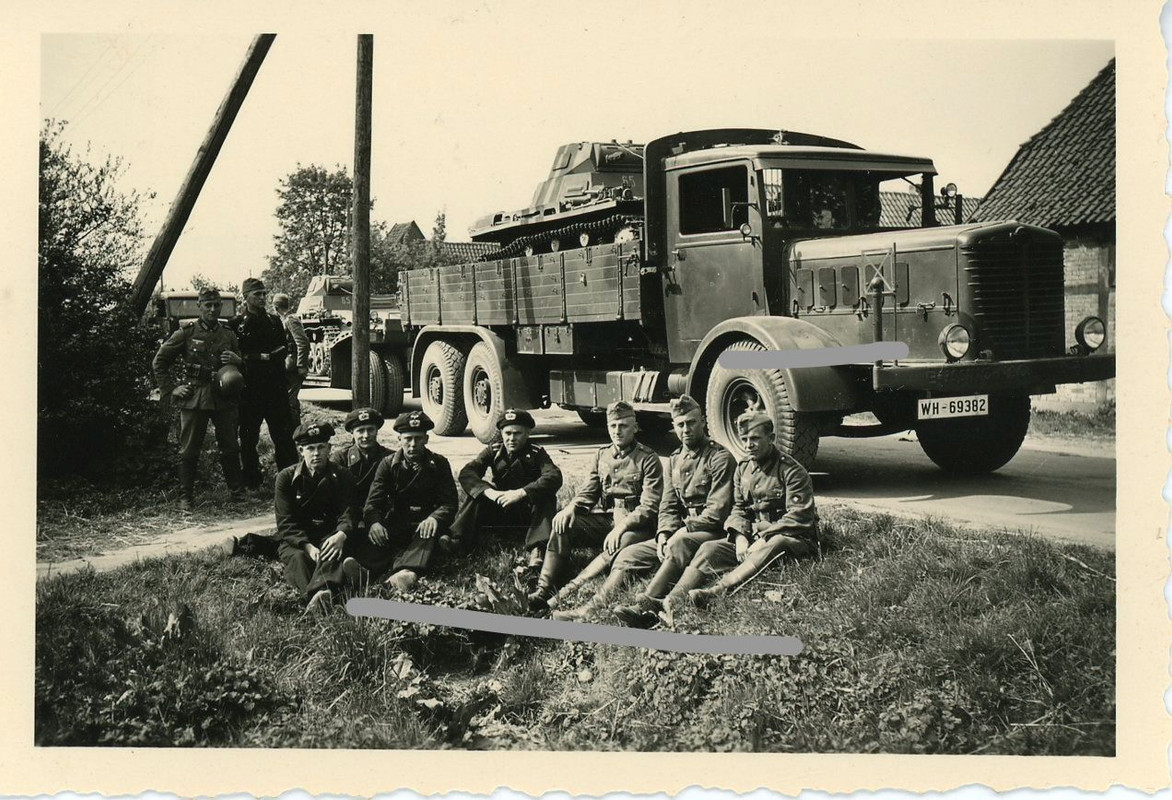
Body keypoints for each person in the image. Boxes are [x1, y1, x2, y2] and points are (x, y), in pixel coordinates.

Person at [665, 411, 819, 617]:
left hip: (794, 539)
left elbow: (799, 516)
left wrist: (765, 538)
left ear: (771, 438)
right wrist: (739, 537)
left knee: (777, 542)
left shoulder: (791, 470)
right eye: (744, 439)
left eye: (755, 439)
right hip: (755, 538)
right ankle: (673, 599)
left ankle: (717, 590)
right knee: (710, 548)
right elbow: (739, 509)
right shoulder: (743, 469)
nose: (748, 445)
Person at [527, 400, 664, 618]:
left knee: (623, 541)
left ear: (635, 427)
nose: (617, 431)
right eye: (613, 426)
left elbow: (649, 506)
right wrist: (571, 507)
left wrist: (621, 528)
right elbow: (589, 491)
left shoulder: (648, 459)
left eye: (623, 425)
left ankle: (569, 592)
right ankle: (544, 588)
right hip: (608, 519)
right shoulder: (602, 455)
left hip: (636, 525)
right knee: (562, 524)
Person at [609, 395, 736, 628]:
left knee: (681, 543)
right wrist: (664, 534)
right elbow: (667, 505)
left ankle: (649, 604)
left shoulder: (719, 457)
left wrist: (683, 530)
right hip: (680, 533)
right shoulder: (675, 459)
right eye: (680, 424)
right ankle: (599, 605)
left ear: (703, 422)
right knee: (630, 554)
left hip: (713, 531)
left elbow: (718, 510)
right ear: (674, 427)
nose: (686, 429)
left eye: (691, 422)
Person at [151, 287, 246, 511]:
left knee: (230, 447)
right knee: (189, 449)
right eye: (208, 305)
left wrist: (237, 359)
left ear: (221, 307)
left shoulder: (228, 333)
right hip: (195, 396)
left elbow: (239, 363)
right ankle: (186, 497)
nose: (212, 309)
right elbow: (160, 362)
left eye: (216, 305)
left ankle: (237, 494)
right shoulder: (186, 332)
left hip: (223, 397)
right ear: (199, 306)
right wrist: (172, 388)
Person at [445, 409, 563, 573]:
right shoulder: (493, 450)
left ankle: (538, 549)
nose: (511, 438)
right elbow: (468, 472)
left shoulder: (536, 452)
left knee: (545, 497)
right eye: (507, 433)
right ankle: (457, 539)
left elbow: (554, 476)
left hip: (527, 515)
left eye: (517, 433)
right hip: (500, 510)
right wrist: (488, 492)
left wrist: (522, 493)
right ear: (501, 432)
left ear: (528, 433)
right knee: (478, 493)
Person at [361, 410, 459, 591]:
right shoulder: (388, 464)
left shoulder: (439, 464)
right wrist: (374, 523)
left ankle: (407, 572)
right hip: (398, 520)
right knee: (376, 541)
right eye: (407, 439)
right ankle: (362, 572)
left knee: (427, 534)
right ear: (399, 440)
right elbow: (373, 502)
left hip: (426, 521)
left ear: (426, 439)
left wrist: (435, 518)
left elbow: (450, 502)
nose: (412, 444)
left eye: (418, 438)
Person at [274, 422, 363, 613]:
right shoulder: (286, 478)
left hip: (330, 535)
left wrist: (341, 534)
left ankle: (320, 596)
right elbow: (285, 521)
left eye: (321, 447)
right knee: (298, 559)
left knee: (331, 550)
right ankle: (321, 595)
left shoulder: (342, 475)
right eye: (310, 448)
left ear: (329, 449)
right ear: (301, 451)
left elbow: (349, 511)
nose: (316, 453)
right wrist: (307, 546)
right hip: (297, 540)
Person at [233, 277, 298, 490]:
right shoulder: (237, 324)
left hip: (274, 389)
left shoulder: (273, 321)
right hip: (250, 390)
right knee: (248, 438)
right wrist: (261, 357)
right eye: (256, 294)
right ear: (246, 297)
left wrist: (271, 359)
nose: (262, 298)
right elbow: (238, 356)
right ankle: (252, 483)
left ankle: (289, 481)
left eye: (263, 294)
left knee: (284, 437)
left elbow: (282, 349)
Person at [331, 407, 392, 505]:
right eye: (360, 431)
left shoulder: (390, 457)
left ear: (377, 430)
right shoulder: (341, 458)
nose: (366, 435)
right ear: (352, 432)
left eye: (370, 429)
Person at [273, 292, 309, 423]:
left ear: (275, 307)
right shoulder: (284, 320)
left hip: (293, 366)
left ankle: (295, 432)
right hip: (287, 365)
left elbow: (302, 342)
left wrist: (301, 365)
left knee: (290, 401)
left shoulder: (291, 319)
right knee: (287, 400)